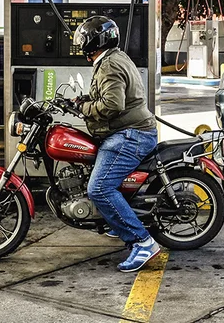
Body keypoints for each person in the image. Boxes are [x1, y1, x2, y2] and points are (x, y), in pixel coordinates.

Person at [73, 16, 160, 273]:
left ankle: (143, 242)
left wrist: (85, 107)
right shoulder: (113, 58)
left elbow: (113, 104)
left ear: (96, 42)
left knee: (99, 188)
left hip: (130, 135)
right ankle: (114, 218)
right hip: (128, 130)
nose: (83, 48)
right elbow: (109, 94)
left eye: (85, 42)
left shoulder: (109, 64)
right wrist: (83, 100)